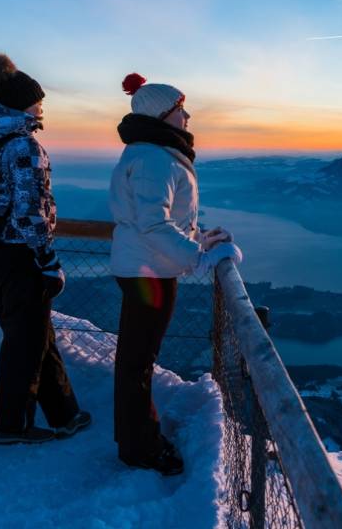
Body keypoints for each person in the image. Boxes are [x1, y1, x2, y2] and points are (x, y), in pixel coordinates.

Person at [109, 72, 241, 476]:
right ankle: (140, 447)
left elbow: (163, 221)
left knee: (137, 358)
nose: (187, 115)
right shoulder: (153, 158)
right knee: (137, 361)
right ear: (163, 115)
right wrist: (197, 258)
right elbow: (153, 225)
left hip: (144, 267)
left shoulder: (151, 152)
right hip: (148, 272)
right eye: (179, 108)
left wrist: (199, 239)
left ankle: (136, 437)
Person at [0, 53, 91, 445]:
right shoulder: (23, 147)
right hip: (20, 256)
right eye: (38, 100)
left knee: (36, 336)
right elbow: (30, 210)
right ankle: (10, 426)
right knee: (25, 344)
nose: (42, 106)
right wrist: (48, 260)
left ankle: (64, 414)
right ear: (23, 104)